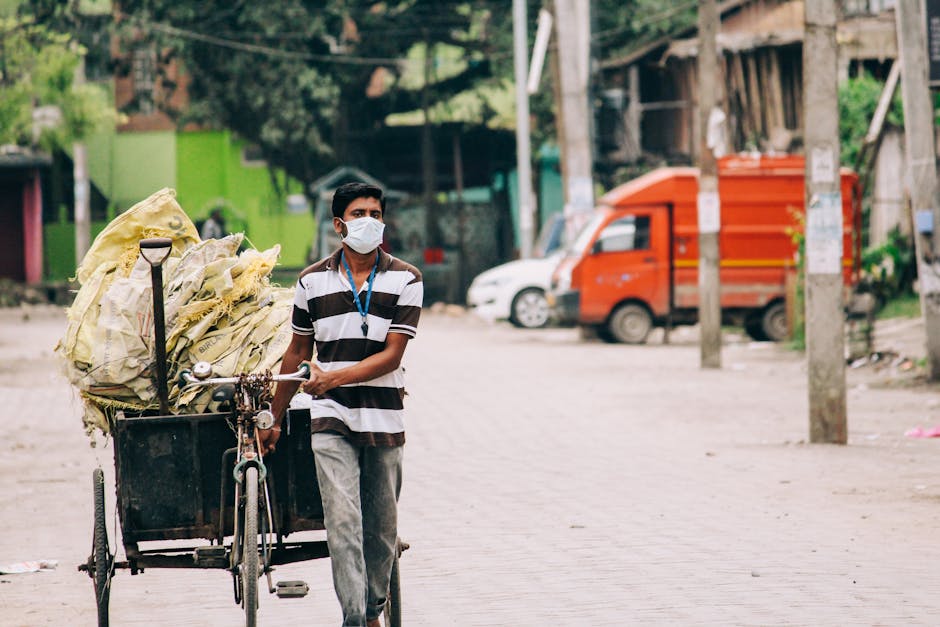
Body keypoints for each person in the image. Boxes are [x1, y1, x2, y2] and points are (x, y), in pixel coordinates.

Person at [261, 181, 422, 627]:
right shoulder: (311, 281)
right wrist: (273, 417)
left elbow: (392, 355)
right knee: (343, 519)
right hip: (330, 415)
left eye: (375, 213)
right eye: (358, 214)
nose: (369, 221)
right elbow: (297, 351)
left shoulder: (406, 279)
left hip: (384, 415)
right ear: (339, 224)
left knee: (382, 529)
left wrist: (332, 377)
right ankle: (355, 619)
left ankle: (371, 611)